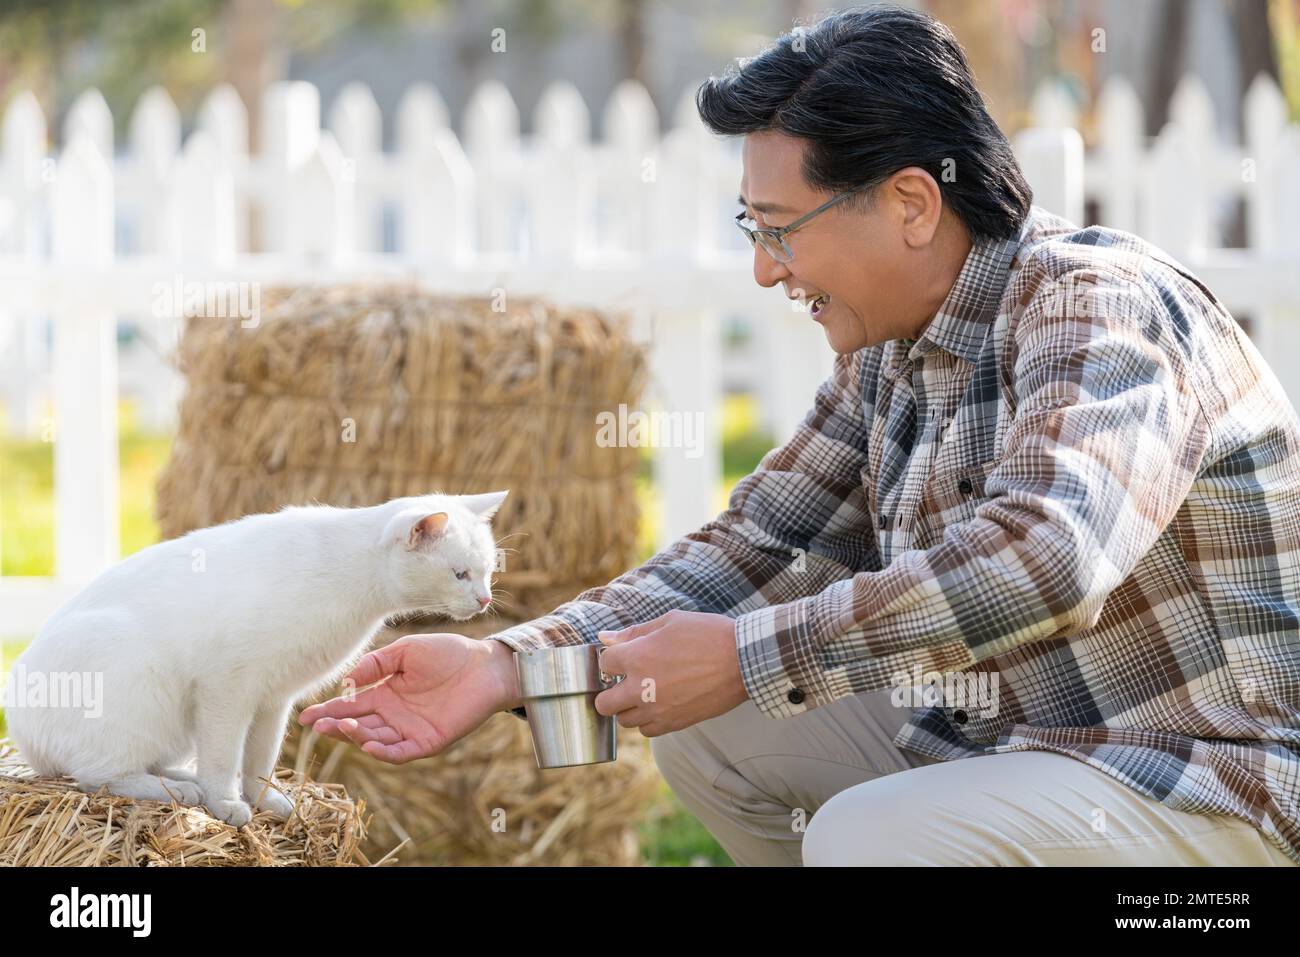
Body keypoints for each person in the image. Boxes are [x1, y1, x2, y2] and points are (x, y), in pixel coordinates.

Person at [299, 5, 1300, 866]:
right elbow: (755, 549)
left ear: (911, 202)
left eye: (780, 228)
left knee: (869, 833)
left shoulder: (1097, 306)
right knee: (709, 734)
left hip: (1214, 782)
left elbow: (1049, 556)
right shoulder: (889, 354)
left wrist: (745, 655)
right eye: (752, 230)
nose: (766, 271)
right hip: (1026, 745)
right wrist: (503, 666)